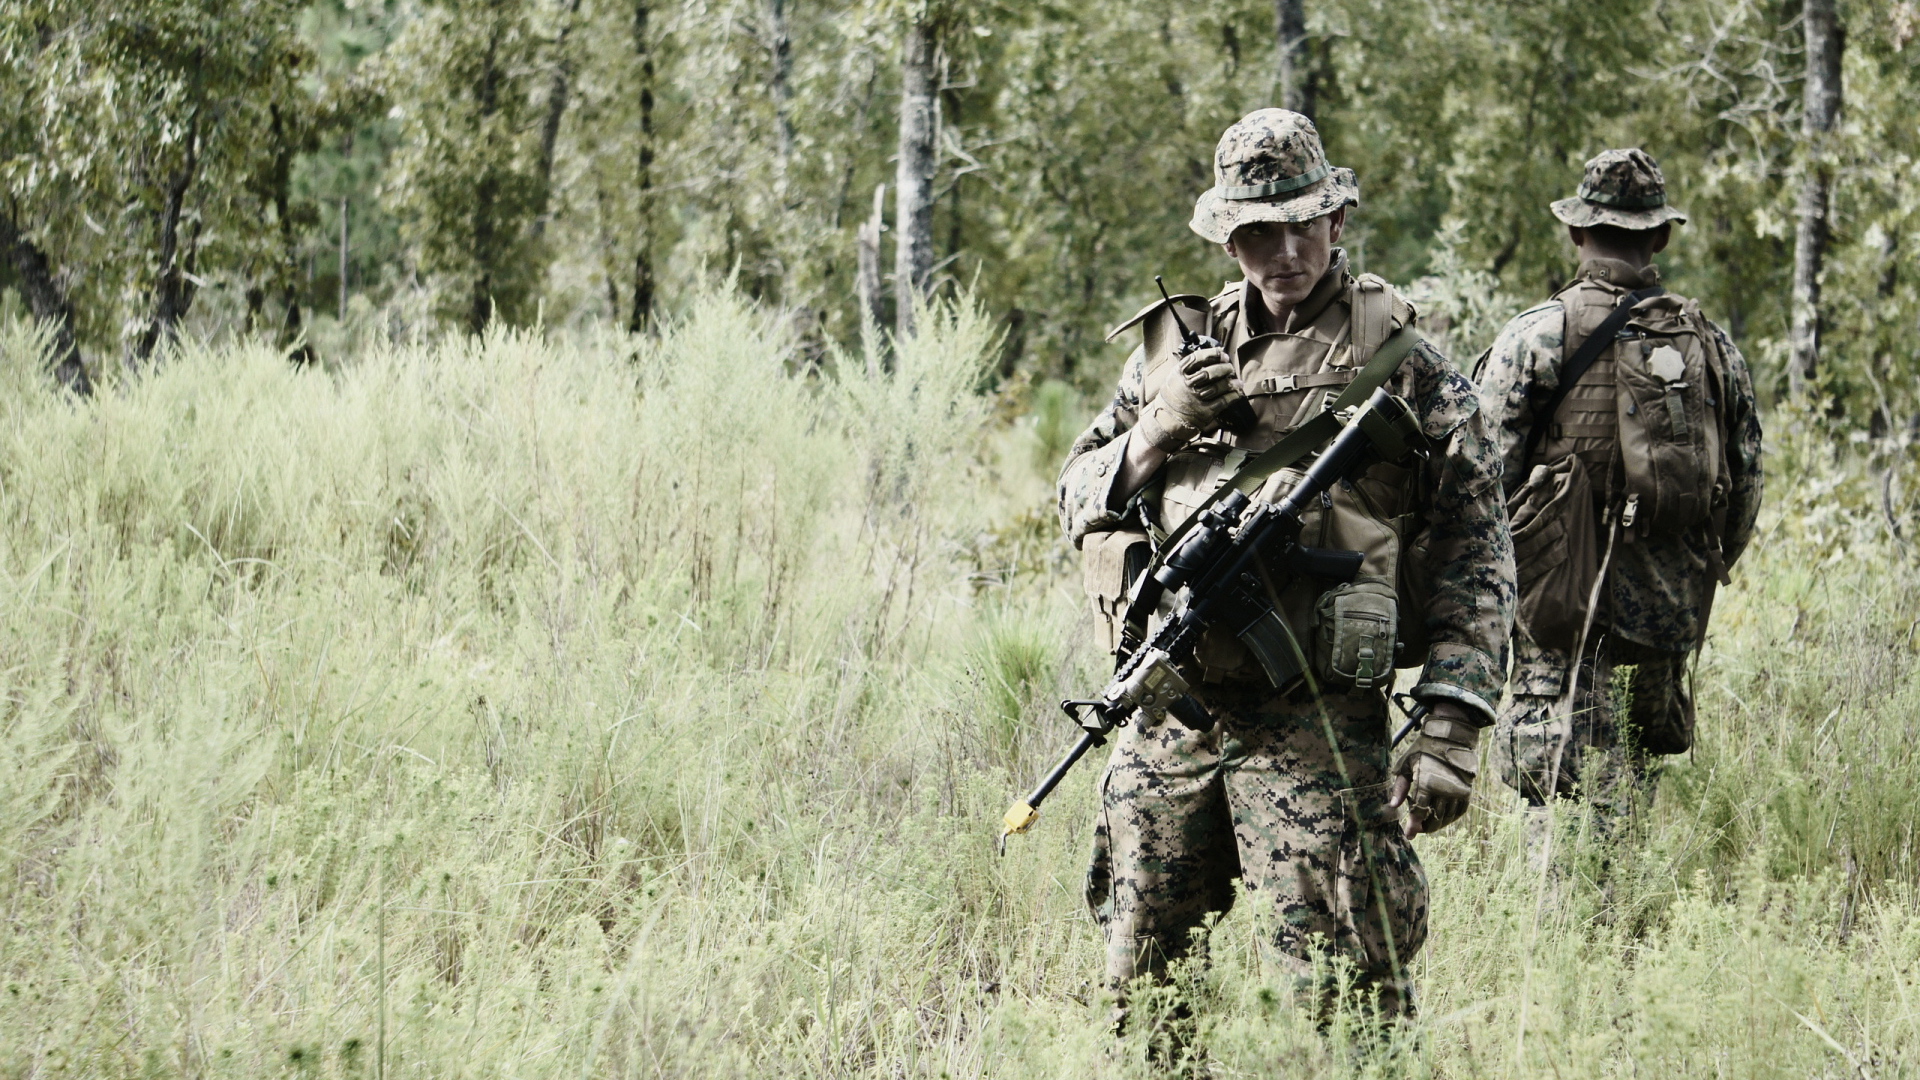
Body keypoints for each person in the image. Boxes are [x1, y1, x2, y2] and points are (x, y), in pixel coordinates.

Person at [1056, 108, 1514, 1032]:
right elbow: (1075, 497)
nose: (1285, 250)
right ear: (1230, 238)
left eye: (1304, 224)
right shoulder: (1178, 355)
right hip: (1172, 712)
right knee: (1141, 990)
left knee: (1347, 999)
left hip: (1318, 723)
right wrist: (1156, 429)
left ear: (1337, 221)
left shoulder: (1402, 361)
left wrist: (1453, 721)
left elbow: (1477, 544)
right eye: (1259, 231)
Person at [1474, 149, 1763, 822]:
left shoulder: (1535, 338)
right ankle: (1625, 923)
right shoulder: (1711, 348)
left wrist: (1502, 594)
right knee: (1627, 802)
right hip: (1665, 612)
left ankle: (1561, 930)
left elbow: (1482, 485)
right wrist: (1687, 573)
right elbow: (1745, 489)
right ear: (1660, 235)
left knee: (1550, 812)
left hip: (1559, 612)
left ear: (1576, 232)